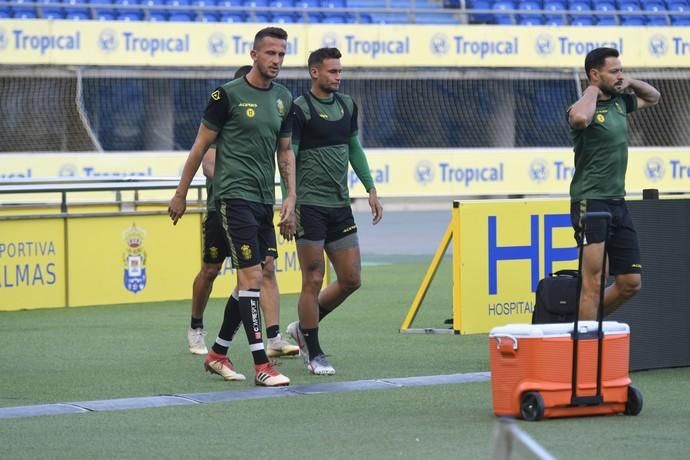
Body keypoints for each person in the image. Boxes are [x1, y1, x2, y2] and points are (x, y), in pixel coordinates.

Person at [170, 27, 296, 387]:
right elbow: (199, 147)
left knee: (255, 278)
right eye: (270, 53)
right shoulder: (226, 95)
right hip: (232, 195)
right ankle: (261, 365)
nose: (276, 60)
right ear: (254, 54)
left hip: (262, 199)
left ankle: (217, 354)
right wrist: (181, 193)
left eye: (281, 55)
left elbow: (285, 154)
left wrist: (291, 197)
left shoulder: (284, 98)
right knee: (250, 277)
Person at [286, 47, 383, 375]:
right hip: (309, 207)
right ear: (315, 72)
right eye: (332, 72)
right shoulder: (300, 109)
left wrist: (370, 188)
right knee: (312, 279)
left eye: (340, 71)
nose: (338, 76)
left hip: (340, 206)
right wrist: (290, 199)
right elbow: (289, 157)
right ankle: (313, 351)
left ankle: (303, 327)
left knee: (351, 279)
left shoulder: (348, 105)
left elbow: (354, 148)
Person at [567, 47, 660, 321]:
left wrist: (629, 82)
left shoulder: (621, 102)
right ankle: (584, 346)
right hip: (591, 201)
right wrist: (593, 89)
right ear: (595, 74)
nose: (620, 75)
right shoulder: (583, 106)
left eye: (621, 70)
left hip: (617, 202)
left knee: (630, 282)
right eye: (614, 71)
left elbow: (653, 97)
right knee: (594, 281)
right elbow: (580, 118)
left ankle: (582, 323)